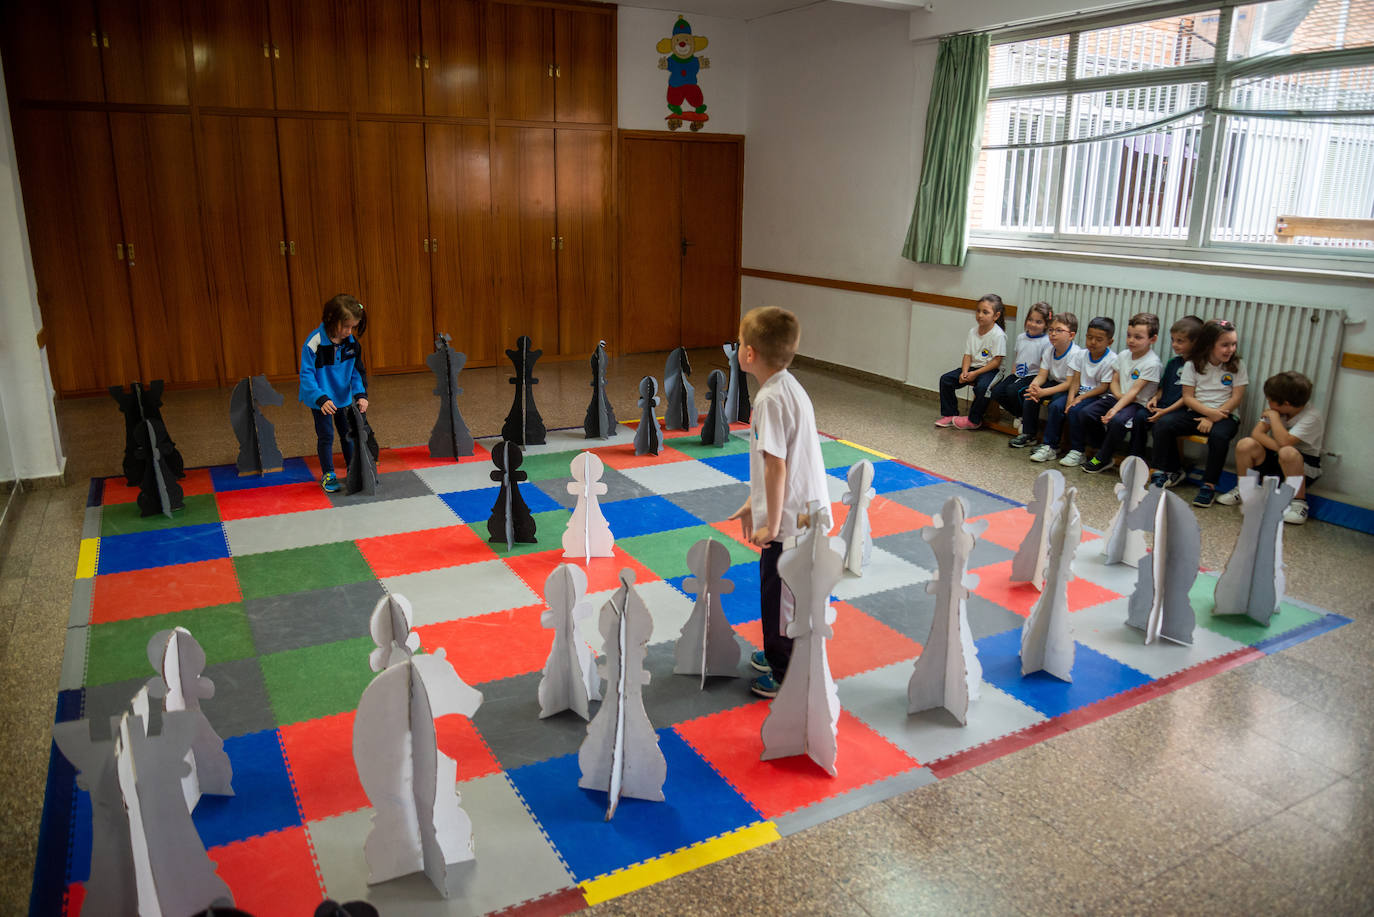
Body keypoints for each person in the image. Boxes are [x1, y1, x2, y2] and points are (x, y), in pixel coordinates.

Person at [727, 306, 830, 699]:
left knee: (779, 595)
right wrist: (754, 505)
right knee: (782, 590)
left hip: (792, 520)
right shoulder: (788, 386)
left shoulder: (769, 400)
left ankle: (784, 668)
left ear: (749, 354)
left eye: (739, 342)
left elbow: (776, 467)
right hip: (801, 509)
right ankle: (778, 652)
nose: (738, 348)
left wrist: (771, 523)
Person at [1149, 318, 1247, 507]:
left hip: (1225, 415)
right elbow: (1188, 397)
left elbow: (1236, 398)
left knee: (1219, 437)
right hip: (1197, 411)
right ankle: (1168, 470)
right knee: (1163, 424)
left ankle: (1209, 485)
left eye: (1233, 344)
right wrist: (1208, 414)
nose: (1230, 349)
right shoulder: (1192, 365)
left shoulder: (1237, 365)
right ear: (1209, 345)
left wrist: (1214, 416)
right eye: (1225, 345)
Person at [1216, 371, 1323, 524]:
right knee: (1245, 444)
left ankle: (1298, 503)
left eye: (1270, 400)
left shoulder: (1312, 416)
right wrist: (1281, 449)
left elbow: (1286, 442)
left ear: (1286, 403)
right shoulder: (1278, 410)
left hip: (1303, 466)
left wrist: (1273, 418)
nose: (1268, 403)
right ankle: (1244, 490)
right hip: (1277, 456)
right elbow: (1257, 434)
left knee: (1288, 452)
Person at [299, 294, 369, 493]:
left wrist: (361, 394)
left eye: (352, 327)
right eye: (346, 326)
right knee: (326, 436)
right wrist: (320, 397)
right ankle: (328, 473)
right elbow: (306, 375)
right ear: (331, 319)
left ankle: (352, 467)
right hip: (321, 400)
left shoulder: (351, 343)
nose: (349, 332)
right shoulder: (315, 342)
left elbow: (356, 371)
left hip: (343, 397)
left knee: (347, 434)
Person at [1081, 313, 1162, 473]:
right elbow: (1115, 380)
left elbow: (1135, 391)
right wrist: (1118, 398)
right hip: (1119, 398)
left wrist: (1116, 409)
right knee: (1087, 413)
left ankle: (1103, 458)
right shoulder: (1124, 355)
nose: (1131, 340)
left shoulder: (1152, 363)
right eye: (1129, 335)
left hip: (1137, 404)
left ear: (1152, 339)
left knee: (1117, 421)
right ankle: (1103, 448)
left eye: (1138, 337)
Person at [935, 294, 1006, 430]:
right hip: (973, 368)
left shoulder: (998, 335)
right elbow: (967, 355)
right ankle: (950, 414)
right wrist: (965, 371)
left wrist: (976, 374)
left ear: (996, 316)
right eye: (978, 311)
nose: (980, 315)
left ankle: (974, 420)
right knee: (946, 380)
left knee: (982, 388)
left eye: (985, 312)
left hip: (991, 371)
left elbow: (996, 362)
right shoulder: (972, 332)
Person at [1055, 316, 1117, 467]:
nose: (1093, 342)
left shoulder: (1112, 359)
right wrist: (1071, 397)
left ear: (1110, 342)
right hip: (1079, 394)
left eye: (1099, 339)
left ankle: (1078, 451)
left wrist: (1080, 398)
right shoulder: (1081, 354)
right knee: (1057, 406)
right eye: (1089, 337)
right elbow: (1075, 380)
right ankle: (1051, 445)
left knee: (1077, 410)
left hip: (1097, 396)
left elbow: (1103, 387)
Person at [1021, 312, 1081, 458]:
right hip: (1054, 383)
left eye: (1059, 330)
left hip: (1069, 388)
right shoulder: (1049, 350)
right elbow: (1042, 375)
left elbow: (1069, 383)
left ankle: (1051, 446)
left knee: (1056, 406)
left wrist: (1043, 392)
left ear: (1071, 335)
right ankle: (1029, 434)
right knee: (1030, 396)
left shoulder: (1075, 353)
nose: (1053, 334)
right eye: (1051, 330)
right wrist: (1034, 387)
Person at [993, 301, 1052, 438]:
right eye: (1030, 320)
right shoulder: (1021, 337)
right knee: (997, 392)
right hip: (1018, 374)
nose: (1033, 324)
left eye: (1038, 322)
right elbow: (1018, 356)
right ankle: (1020, 415)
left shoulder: (1046, 341)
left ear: (1046, 325)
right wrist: (1013, 373)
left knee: (1013, 391)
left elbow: (1044, 366)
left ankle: (1027, 419)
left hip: (1034, 375)